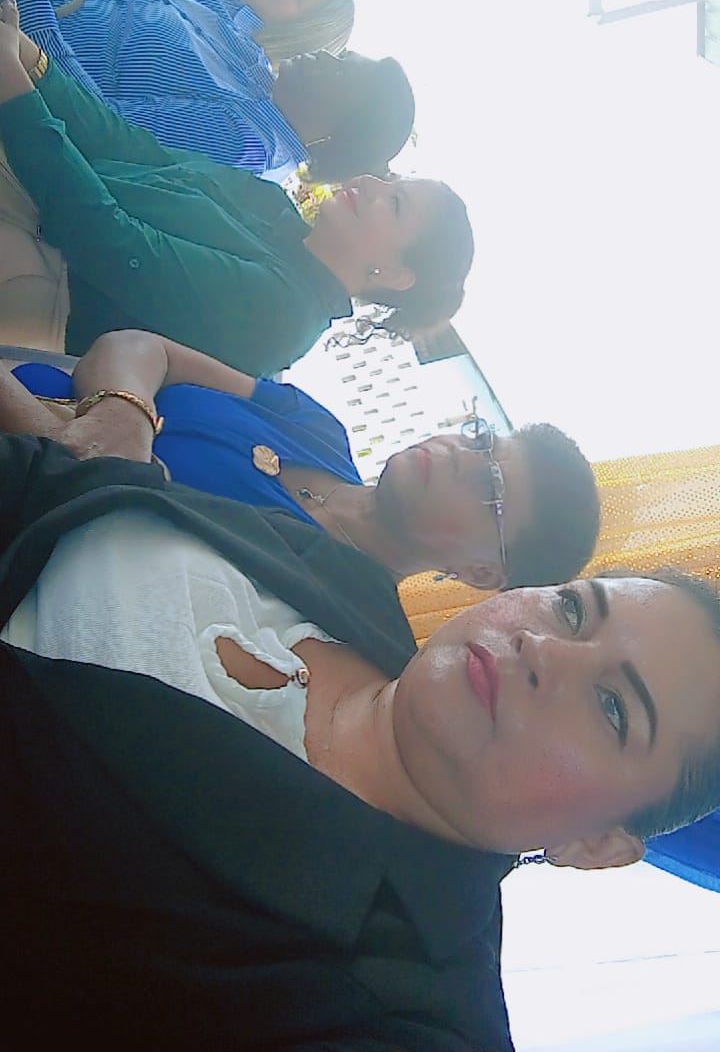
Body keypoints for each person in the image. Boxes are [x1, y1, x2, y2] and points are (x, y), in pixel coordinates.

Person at [2, 430, 720, 1046]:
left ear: (596, 846)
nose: (543, 649)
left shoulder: (394, 1009)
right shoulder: (342, 579)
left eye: (613, 707)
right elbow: (60, 484)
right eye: (573, 610)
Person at [0, 0, 470, 368]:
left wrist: (16, 91)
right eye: (389, 182)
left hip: (35, 261)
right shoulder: (271, 205)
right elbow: (130, 146)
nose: (370, 186)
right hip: (36, 192)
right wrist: (32, 61)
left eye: (395, 204)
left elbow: (109, 239)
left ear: (395, 275)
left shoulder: (284, 316)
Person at [8, 328, 601, 589]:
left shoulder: (322, 603)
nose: (457, 456)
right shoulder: (317, 428)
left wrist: (80, 452)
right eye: (479, 440)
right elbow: (141, 346)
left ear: (481, 573)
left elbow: (90, 542)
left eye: (489, 485)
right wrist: (123, 415)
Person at [8, 0, 396, 178]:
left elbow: (96, 130)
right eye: (341, 58)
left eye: (341, 74)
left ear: (334, 136)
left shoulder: (246, 146)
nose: (325, 58)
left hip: (14, 52)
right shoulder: (253, 68)